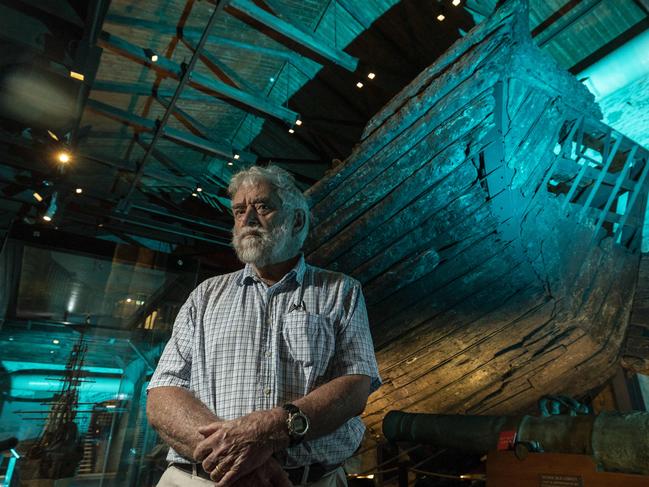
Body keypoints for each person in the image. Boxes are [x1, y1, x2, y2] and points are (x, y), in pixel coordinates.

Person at [147, 165, 381, 487]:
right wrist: (239, 461)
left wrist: (269, 430)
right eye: (239, 210)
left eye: (263, 207)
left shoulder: (341, 291)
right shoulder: (204, 296)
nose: (248, 219)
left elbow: (355, 387)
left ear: (297, 220)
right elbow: (162, 396)